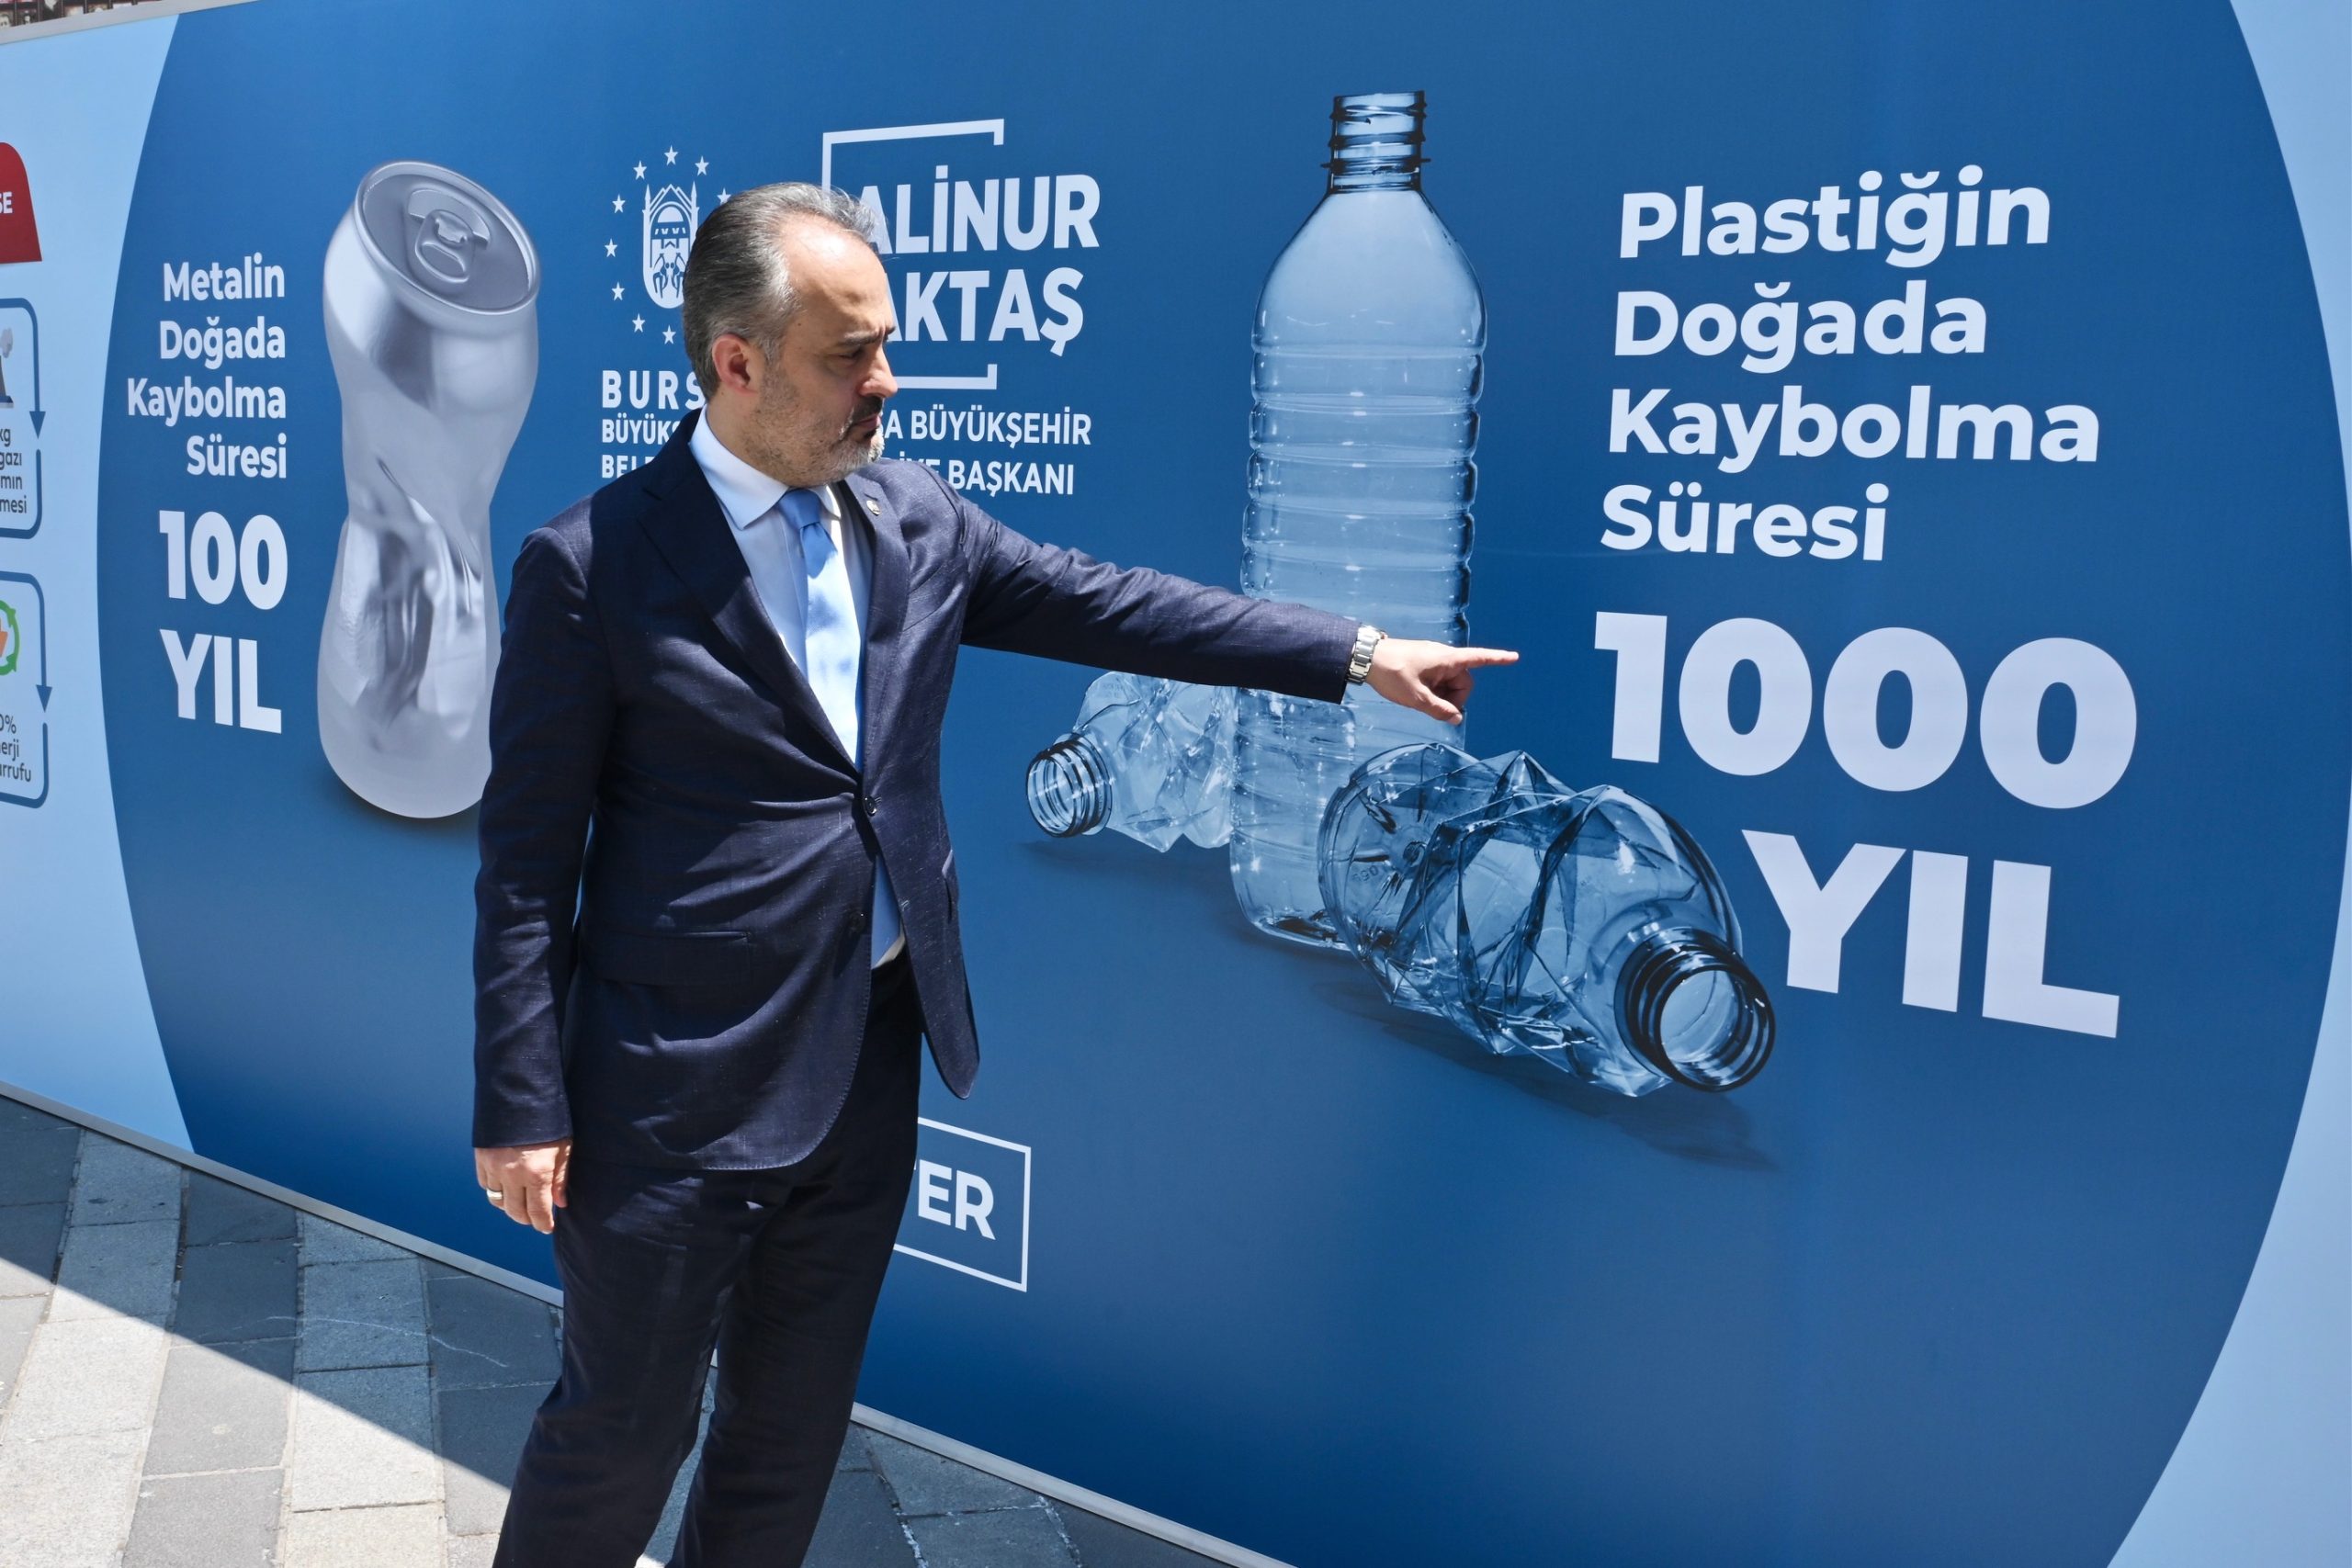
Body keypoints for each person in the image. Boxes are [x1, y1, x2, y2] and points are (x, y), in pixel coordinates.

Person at [470, 182, 1515, 1567]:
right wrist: (521, 1102)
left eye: (886, 345)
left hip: (867, 1065)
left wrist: (1354, 651)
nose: (886, 382)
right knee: (621, 1438)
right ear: (737, 362)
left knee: (787, 1439)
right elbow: (527, 862)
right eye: (850, 353)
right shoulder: (591, 564)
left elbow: (1119, 606)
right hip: (673, 1095)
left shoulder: (914, 519)